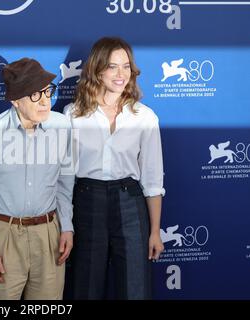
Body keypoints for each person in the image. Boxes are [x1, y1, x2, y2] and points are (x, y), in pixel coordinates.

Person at [64, 37, 165, 299]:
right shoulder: (72, 115)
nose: (121, 74)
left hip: (130, 202)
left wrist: (155, 232)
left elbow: (153, 180)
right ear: (97, 69)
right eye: (112, 66)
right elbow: (64, 178)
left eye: (126, 66)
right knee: (85, 287)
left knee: (135, 288)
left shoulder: (145, 117)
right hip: (87, 201)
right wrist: (64, 226)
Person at [0, 58, 75, 300]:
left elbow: (64, 184)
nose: (45, 100)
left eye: (47, 91)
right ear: (15, 100)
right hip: (3, 236)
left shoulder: (62, 127)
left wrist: (66, 227)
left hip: (49, 235)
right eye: (35, 95)